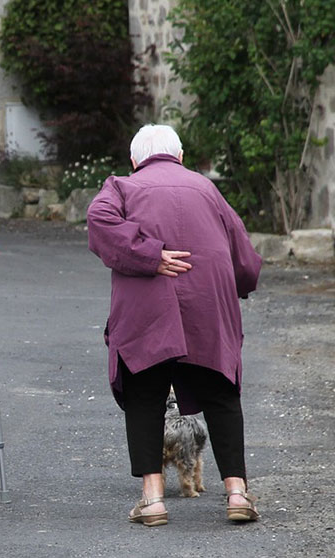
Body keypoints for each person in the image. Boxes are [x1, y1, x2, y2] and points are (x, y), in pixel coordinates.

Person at [86, 124, 263, 526]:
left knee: (145, 394)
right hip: (207, 303)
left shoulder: (122, 187)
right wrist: (242, 282)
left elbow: (98, 219)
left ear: (135, 160)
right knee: (220, 393)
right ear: (180, 156)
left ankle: (153, 500)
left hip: (147, 306)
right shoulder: (205, 188)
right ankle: (237, 494)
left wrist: (148, 255)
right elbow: (244, 254)